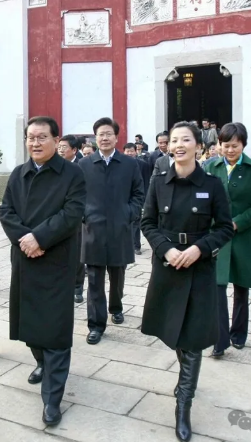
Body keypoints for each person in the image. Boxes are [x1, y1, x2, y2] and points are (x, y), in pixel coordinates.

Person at [141, 121, 234, 443]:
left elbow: (224, 227)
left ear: (199, 146)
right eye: (174, 140)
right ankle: (186, 383)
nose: (179, 145)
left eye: (186, 140)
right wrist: (166, 250)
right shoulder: (158, 182)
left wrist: (199, 249)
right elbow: (147, 222)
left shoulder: (212, 184)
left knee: (193, 339)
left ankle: (183, 403)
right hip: (168, 266)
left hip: (199, 267)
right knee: (176, 334)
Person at [0, 116, 86, 427]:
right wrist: (25, 239)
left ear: (56, 140)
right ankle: (41, 362)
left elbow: (72, 213)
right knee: (29, 323)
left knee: (56, 330)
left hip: (56, 260)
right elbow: (5, 210)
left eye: (42, 137)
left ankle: (52, 398)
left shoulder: (72, 174)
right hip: (25, 258)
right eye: (31, 137)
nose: (35, 143)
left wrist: (40, 237)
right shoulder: (18, 174)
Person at [78, 117, 144, 345]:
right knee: (94, 279)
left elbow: (138, 194)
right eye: (100, 134)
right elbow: (76, 195)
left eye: (108, 134)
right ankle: (96, 325)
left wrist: (128, 213)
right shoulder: (84, 165)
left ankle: (116, 307)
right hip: (93, 229)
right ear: (95, 138)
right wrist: (85, 215)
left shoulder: (129, 164)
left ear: (116, 137)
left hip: (120, 228)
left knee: (118, 274)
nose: (104, 138)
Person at [205, 123, 251, 357]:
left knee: (242, 288)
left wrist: (237, 222)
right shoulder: (210, 167)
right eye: (226, 145)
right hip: (217, 237)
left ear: (243, 144)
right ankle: (219, 340)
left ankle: (239, 333)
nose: (230, 150)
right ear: (219, 145)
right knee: (217, 287)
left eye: (235, 145)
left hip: (244, 236)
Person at [59, 134, 85, 302]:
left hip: (77, 216)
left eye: (64, 147)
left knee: (77, 253)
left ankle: (77, 286)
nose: (60, 150)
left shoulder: (82, 166)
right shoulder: (55, 165)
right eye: (59, 147)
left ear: (74, 150)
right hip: (59, 216)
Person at [123, 142, 151, 255]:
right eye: (127, 151)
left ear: (136, 152)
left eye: (131, 151)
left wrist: (144, 199)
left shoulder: (143, 165)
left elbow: (146, 182)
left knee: (136, 222)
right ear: (124, 152)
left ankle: (136, 246)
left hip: (137, 197)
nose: (129, 153)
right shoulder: (120, 164)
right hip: (123, 198)